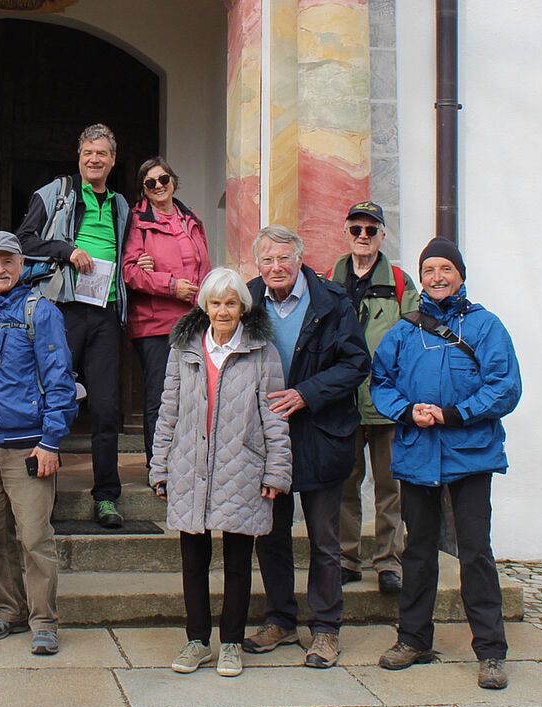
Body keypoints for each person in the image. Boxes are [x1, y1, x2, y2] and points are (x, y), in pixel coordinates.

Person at [372, 237, 522, 690]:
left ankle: (490, 651)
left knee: (475, 552)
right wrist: (406, 410)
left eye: (445, 269)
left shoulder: (486, 326)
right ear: (422, 277)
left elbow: (505, 386)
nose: (437, 277)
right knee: (417, 551)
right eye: (429, 270)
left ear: (460, 275)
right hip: (418, 454)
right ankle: (413, 639)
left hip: (470, 455)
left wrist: (454, 414)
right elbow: (380, 381)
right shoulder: (404, 331)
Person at [149, 267, 291, 678]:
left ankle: (231, 643)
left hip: (241, 465)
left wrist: (276, 471)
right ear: (205, 306)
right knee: (193, 561)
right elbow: (168, 410)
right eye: (216, 303)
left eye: (231, 303)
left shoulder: (262, 351)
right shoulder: (184, 348)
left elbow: (274, 415)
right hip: (189, 464)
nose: (223, 311)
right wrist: (159, 466)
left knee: (238, 562)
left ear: (242, 307)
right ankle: (197, 640)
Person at [242, 225, 370, 669]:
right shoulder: (247, 300)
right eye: (267, 259)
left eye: (284, 258)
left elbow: (356, 363)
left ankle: (326, 629)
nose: (276, 267)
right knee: (270, 534)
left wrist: (306, 393)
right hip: (266, 437)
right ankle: (280, 620)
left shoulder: (332, 301)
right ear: (258, 263)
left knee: (324, 540)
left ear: (299, 259)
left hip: (322, 432)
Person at [0, 231, 78, 655]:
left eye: (7, 262)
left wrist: (51, 441)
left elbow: (59, 377)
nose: (0, 270)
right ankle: (7, 610)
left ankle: (44, 620)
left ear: (20, 266)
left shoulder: (40, 310)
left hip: (27, 445)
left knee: (34, 537)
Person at [17, 123, 131, 529]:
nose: (94, 159)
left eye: (101, 153)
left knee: (105, 407)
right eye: (87, 153)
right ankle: (37, 494)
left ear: (112, 160)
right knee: (50, 398)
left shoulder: (121, 205)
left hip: (105, 313)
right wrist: (67, 251)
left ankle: (107, 496)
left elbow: (128, 250)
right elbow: (23, 241)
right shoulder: (57, 192)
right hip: (61, 310)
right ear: (79, 157)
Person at [325, 201, 417, 595]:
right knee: (345, 483)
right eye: (356, 229)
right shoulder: (329, 279)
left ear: (382, 235)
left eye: (371, 230)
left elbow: (415, 338)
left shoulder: (399, 282)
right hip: (343, 401)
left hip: (387, 401)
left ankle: (388, 562)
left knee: (389, 486)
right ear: (346, 232)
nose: (363, 237)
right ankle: (347, 558)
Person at [122, 156, 211, 463]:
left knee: (193, 395)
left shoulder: (191, 219)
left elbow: (204, 269)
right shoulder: (136, 221)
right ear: (143, 189)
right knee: (162, 397)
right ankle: (158, 466)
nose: (158, 186)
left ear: (173, 181)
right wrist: (171, 286)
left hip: (193, 322)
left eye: (163, 179)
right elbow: (129, 272)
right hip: (155, 325)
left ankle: (186, 464)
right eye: (150, 183)